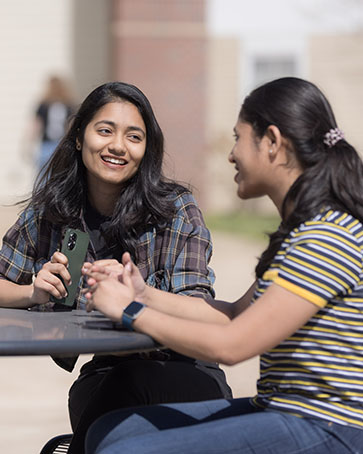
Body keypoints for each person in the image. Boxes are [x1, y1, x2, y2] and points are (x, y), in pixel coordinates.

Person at [83, 77, 363, 454]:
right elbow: (233, 315)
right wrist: (145, 294)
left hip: (331, 427)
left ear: (273, 142)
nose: (231, 154)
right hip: (287, 412)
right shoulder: (303, 232)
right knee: (111, 431)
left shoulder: (325, 238)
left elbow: (232, 346)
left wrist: (129, 311)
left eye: (238, 138)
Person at [0, 82, 231, 453]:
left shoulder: (175, 211)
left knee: (129, 387)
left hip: (186, 370)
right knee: (106, 389)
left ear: (147, 149)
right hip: (106, 373)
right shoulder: (51, 213)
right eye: (105, 130)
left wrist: (136, 299)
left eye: (134, 136)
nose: (118, 146)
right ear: (78, 137)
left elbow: (198, 310)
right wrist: (32, 291)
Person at [31, 75, 75, 171]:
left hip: (49, 144)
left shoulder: (44, 104)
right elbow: (71, 125)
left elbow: (37, 125)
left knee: (44, 173)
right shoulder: (68, 105)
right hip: (60, 143)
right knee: (59, 173)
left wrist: (30, 141)